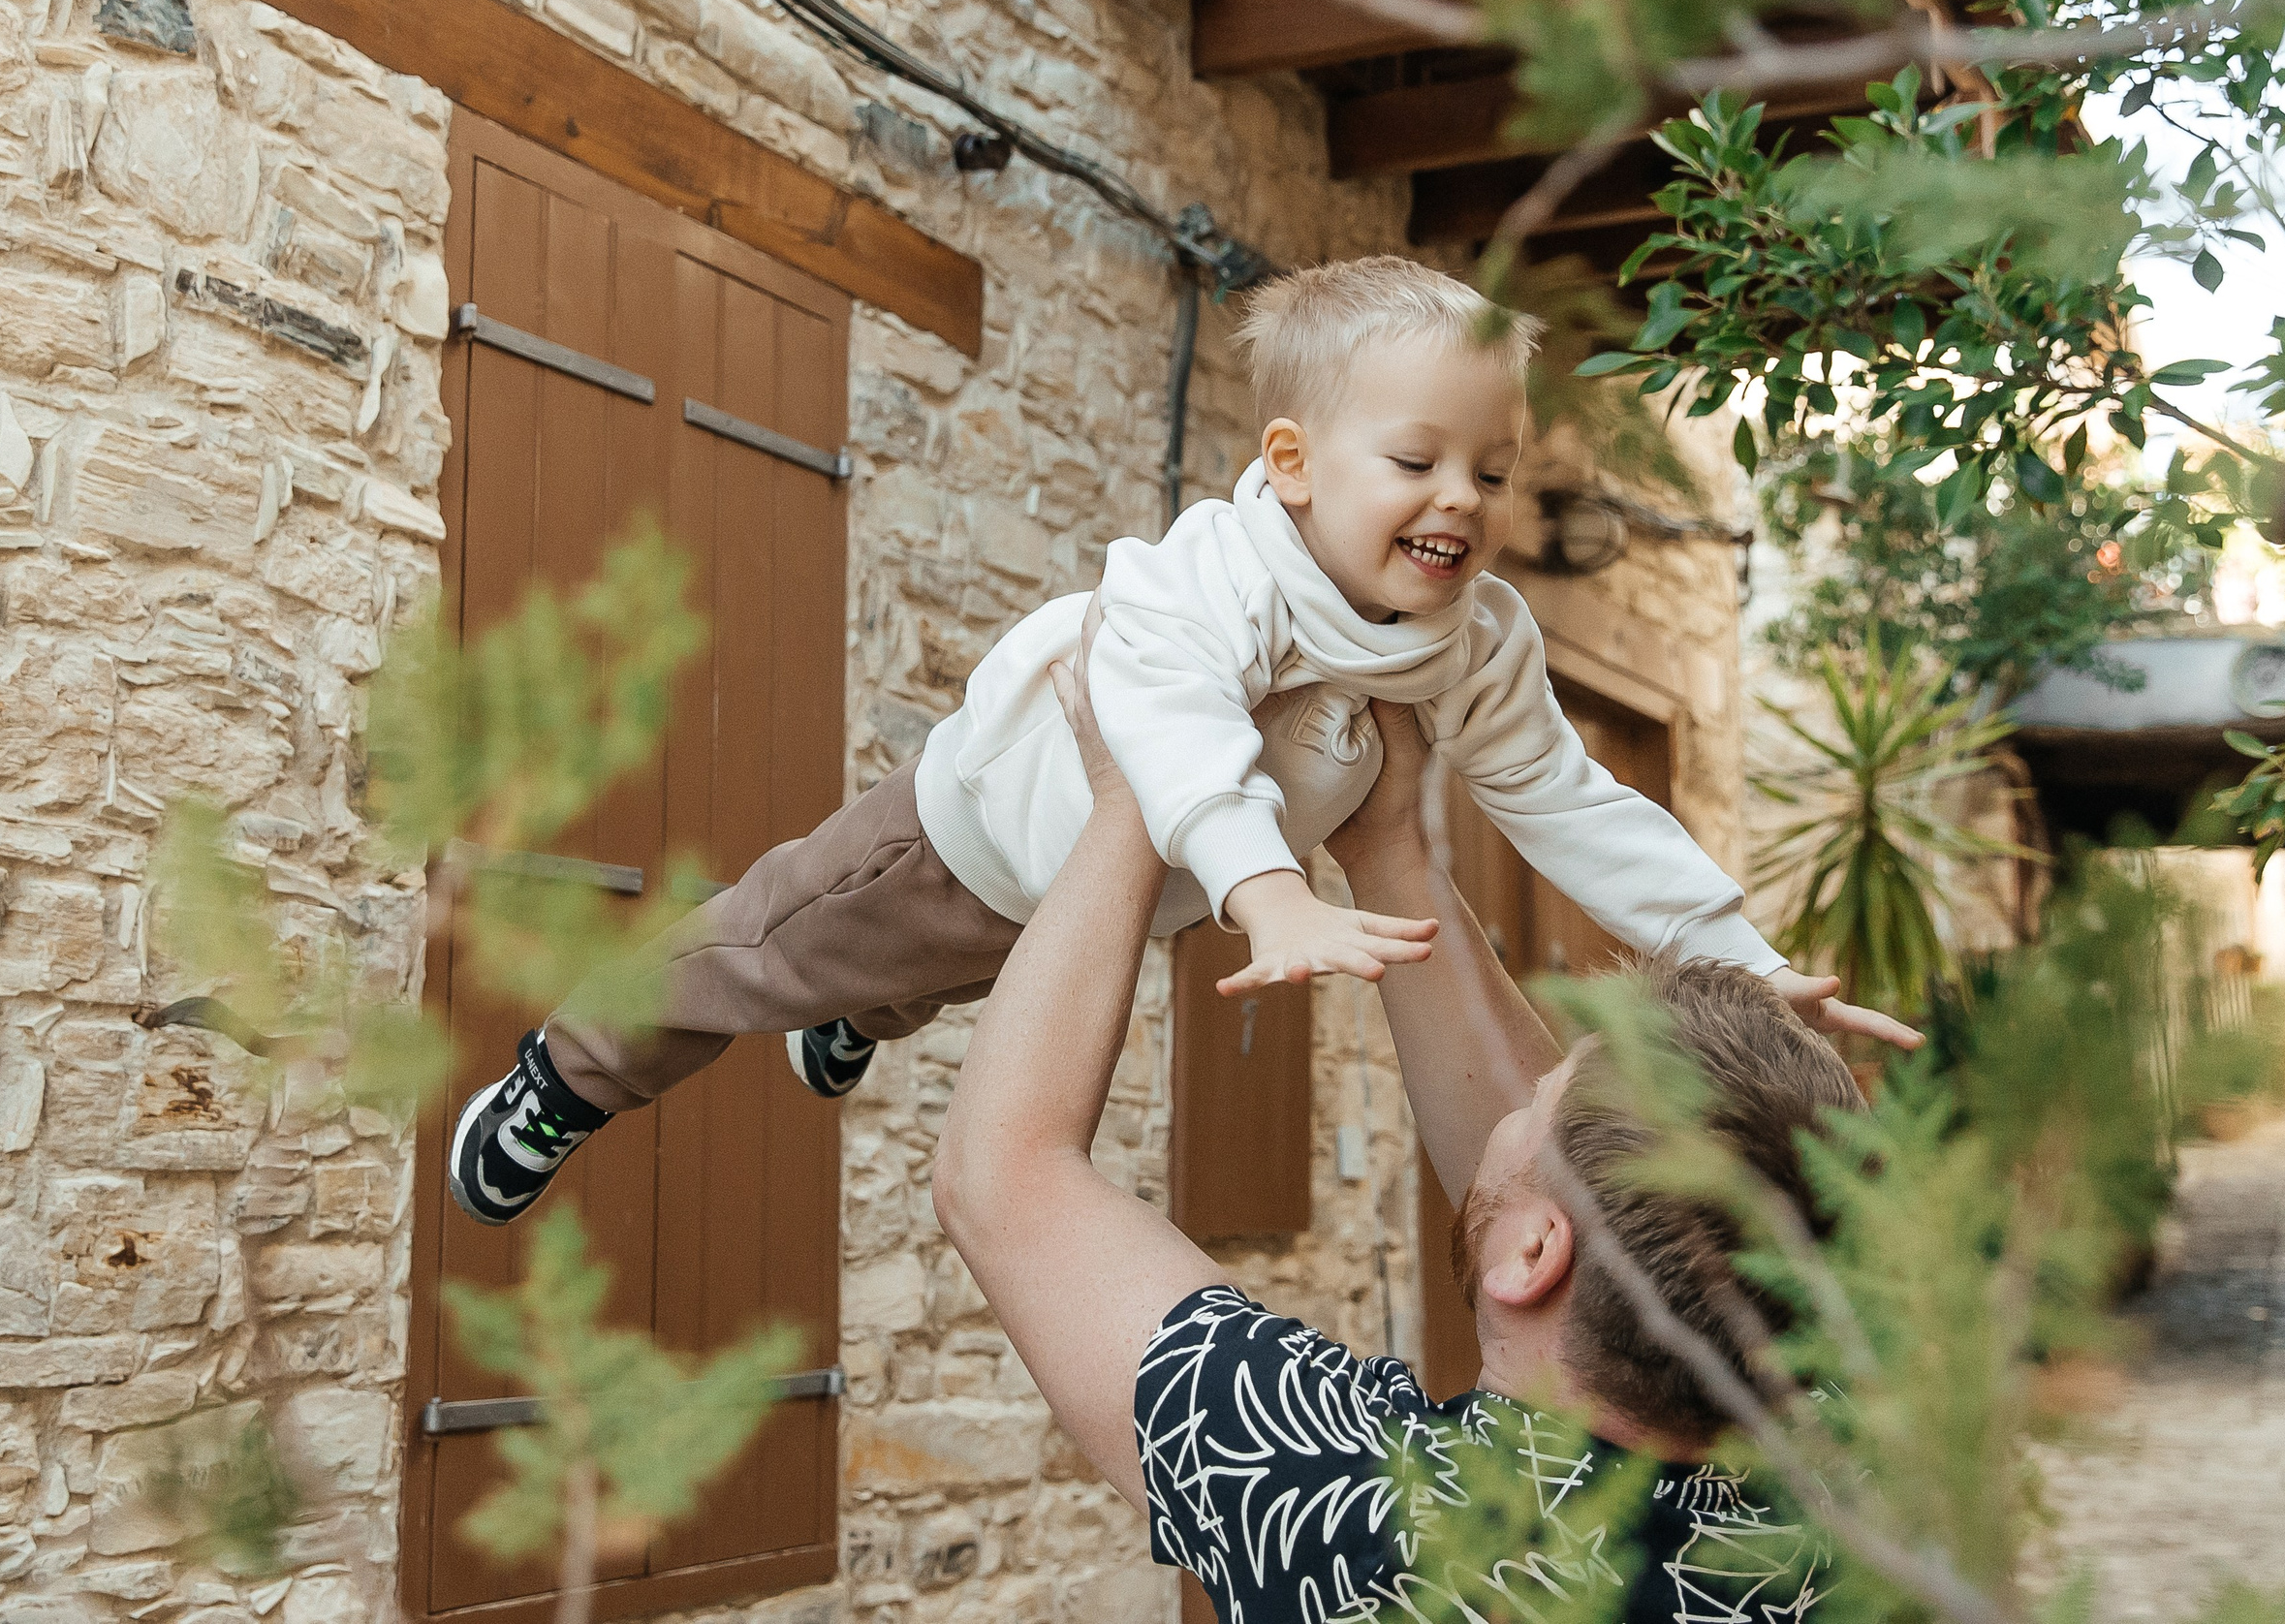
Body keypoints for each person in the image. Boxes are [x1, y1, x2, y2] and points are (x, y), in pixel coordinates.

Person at [447, 255, 1912, 1228]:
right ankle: (567, 1069)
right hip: (961, 840)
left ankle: (860, 1017)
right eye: (1416, 461)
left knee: (940, 979)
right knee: (758, 956)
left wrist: (1747, 961)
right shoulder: (1211, 571)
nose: (1459, 497)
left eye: (1492, 466)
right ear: (1293, 463)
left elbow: (1573, 803)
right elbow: (1167, 725)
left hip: (1094, 910)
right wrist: (1269, 886)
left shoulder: (1475, 638)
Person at [929, 620, 1870, 1622]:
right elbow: (1572, 1209)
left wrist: (1129, 799)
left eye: (1542, 1100)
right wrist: (1389, 851)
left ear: (1538, 1252)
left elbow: (1005, 1179)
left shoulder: (1369, 1516)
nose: (1520, 1097)